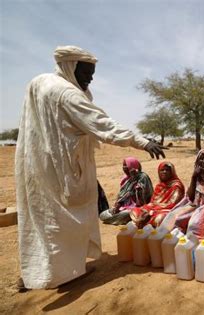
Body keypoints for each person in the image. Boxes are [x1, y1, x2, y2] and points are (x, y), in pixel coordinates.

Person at [15, 46, 165, 290]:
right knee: (66, 219)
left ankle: (40, 272)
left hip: (41, 164)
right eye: (86, 72)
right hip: (64, 168)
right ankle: (57, 274)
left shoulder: (41, 82)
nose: (90, 78)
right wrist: (141, 141)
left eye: (92, 73)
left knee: (47, 219)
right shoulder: (67, 93)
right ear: (71, 67)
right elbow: (102, 124)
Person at [160, 148, 204, 239]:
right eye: (201, 158)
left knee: (194, 224)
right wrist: (194, 177)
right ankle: (173, 241)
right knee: (174, 217)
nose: (203, 161)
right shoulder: (198, 175)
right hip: (195, 206)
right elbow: (190, 197)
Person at [99, 157, 153, 225]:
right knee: (103, 215)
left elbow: (143, 197)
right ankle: (119, 218)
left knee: (128, 214)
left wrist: (134, 179)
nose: (124, 168)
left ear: (133, 166)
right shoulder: (125, 179)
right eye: (123, 165)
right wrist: (117, 205)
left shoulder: (143, 177)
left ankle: (126, 218)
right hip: (124, 206)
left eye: (126, 165)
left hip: (139, 207)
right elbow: (122, 196)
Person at [130, 161, 185, 228]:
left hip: (168, 210)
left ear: (172, 172)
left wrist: (152, 211)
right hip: (154, 208)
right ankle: (143, 222)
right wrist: (149, 209)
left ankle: (145, 223)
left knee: (160, 218)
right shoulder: (159, 185)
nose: (164, 172)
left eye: (167, 170)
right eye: (162, 170)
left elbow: (173, 204)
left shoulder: (176, 186)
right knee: (135, 211)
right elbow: (153, 202)